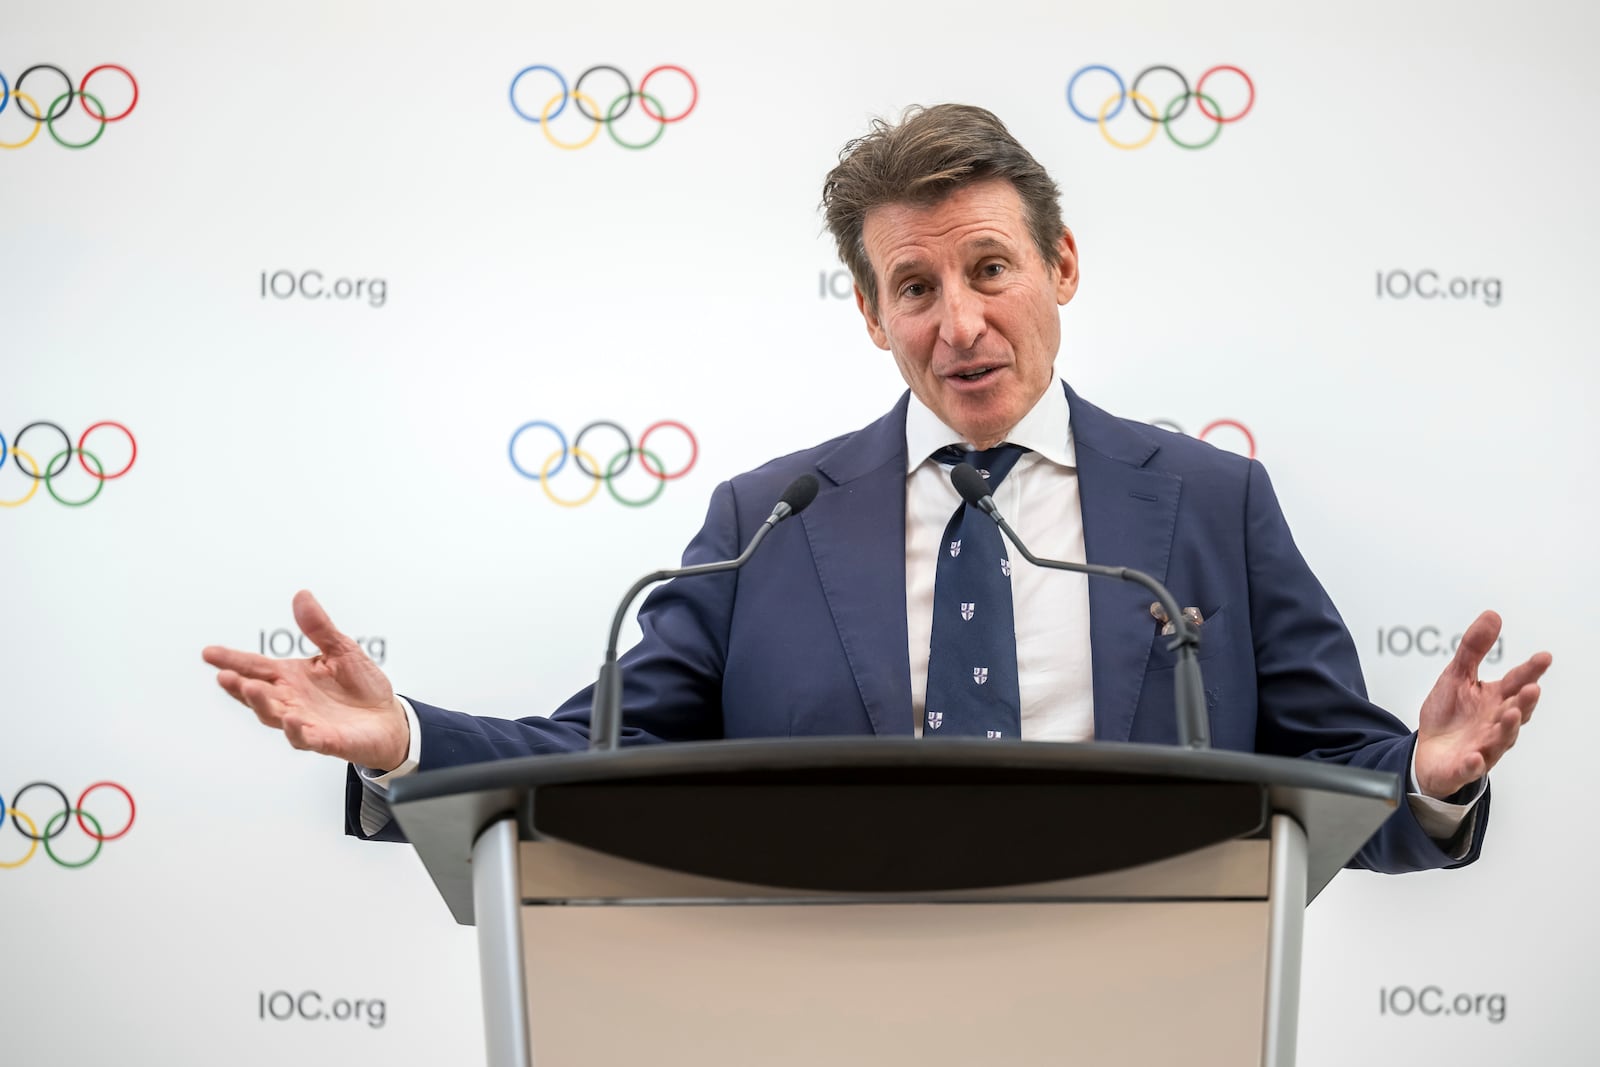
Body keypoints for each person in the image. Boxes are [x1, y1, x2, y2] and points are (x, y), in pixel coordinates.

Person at [202, 104, 1549, 874]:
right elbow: (613, 757)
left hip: (1152, 985)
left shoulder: (1209, 503)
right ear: (870, 313)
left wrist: (1426, 778)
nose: (958, 322)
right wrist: (406, 745)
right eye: (915, 288)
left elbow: (1327, 765)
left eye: (989, 270)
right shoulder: (763, 523)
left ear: (1062, 266)